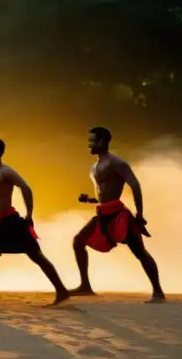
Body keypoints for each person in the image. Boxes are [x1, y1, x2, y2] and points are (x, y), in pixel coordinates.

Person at [0, 137, 70, 305]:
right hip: (4, 222)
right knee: (36, 256)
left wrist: (29, 215)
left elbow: (25, 188)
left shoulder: (5, 172)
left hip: (11, 222)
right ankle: (62, 291)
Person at [69, 127, 164, 303]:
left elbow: (135, 186)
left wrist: (140, 214)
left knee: (139, 251)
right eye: (89, 140)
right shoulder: (94, 166)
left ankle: (158, 292)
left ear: (103, 142)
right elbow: (103, 194)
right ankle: (85, 286)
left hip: (118, 215)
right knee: (78, 241)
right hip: (103, 212)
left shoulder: (117, 163)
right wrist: (90, 200)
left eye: (93, 140)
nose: (89, 144)